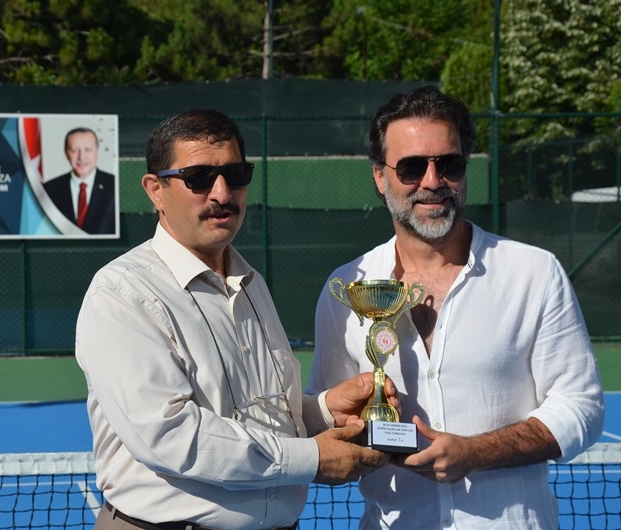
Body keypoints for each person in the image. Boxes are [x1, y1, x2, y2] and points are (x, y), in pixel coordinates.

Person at [75, 108, 394, 530]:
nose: (223, 193)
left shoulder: (251, 283)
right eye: (199, 178)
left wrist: (323, 412)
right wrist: (313, 457)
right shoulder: (121, 293)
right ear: (155, 190)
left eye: (236, 174)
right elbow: (172, 437)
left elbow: (256, 413)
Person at [308, 86, 605, 529]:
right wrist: (346, 434)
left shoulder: (535, 272)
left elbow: (582, 407)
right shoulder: (350, 286)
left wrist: (475, 453)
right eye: (411, 167)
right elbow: (325, 417)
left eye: (449, 164)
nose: (432, 181)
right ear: (380, 177)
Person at [44, 127, 116, 234]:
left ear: (97, 152)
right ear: (66, 153)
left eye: (87, 149)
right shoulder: (49, 189)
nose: (81, 157)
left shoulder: (115, 186)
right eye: (74, 150)